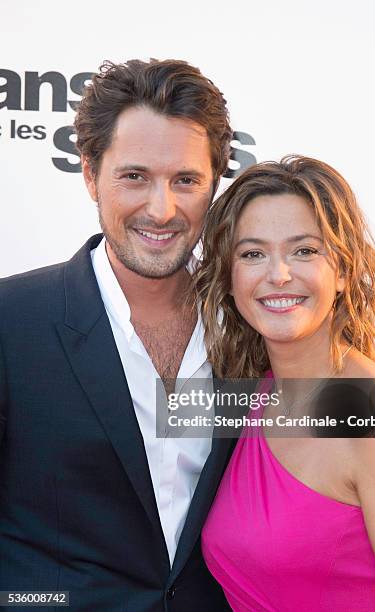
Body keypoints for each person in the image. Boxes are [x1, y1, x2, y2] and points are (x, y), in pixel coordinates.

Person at [0, 59, 235, 611]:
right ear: (89, 175)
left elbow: (352, 426)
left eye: (185, 181)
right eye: (135, 177)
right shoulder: (13, 322)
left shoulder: (247, 330)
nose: (162, 208)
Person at [195, 156, 375, 611]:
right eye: (253, 254)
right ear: (230, 280)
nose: (279, 274)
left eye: (305, 250)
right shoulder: (250, 397)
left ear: (345, 271)